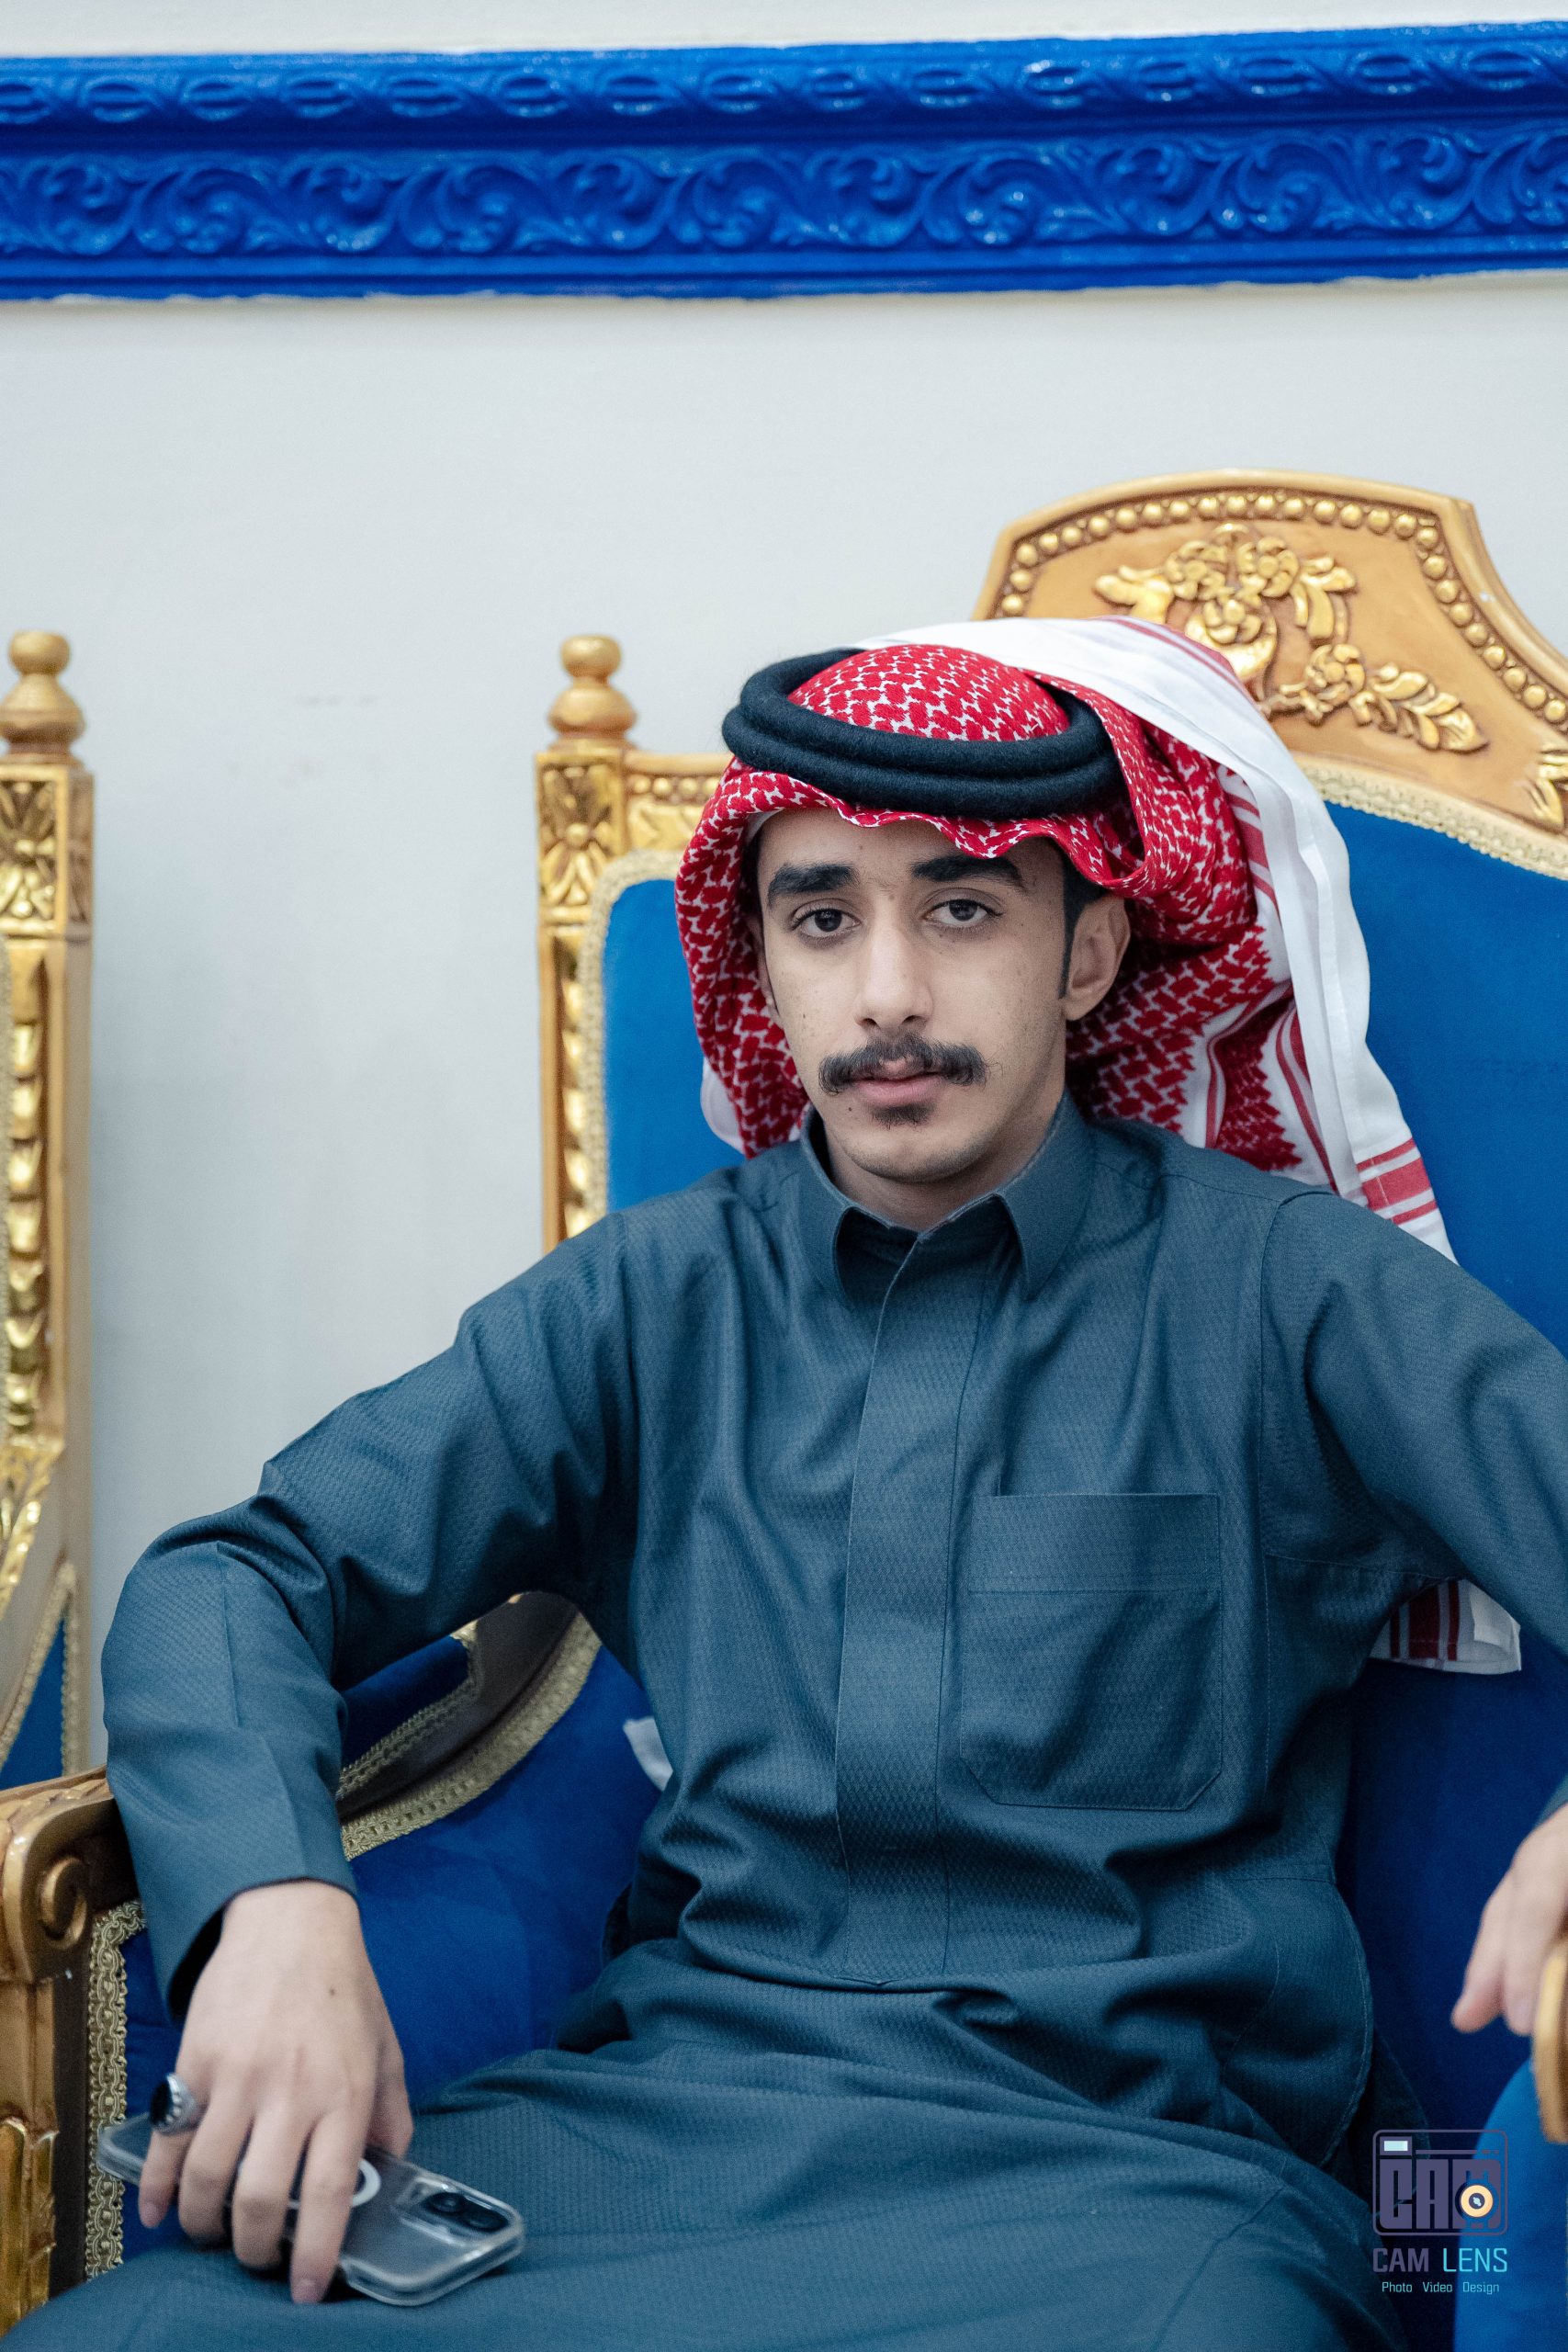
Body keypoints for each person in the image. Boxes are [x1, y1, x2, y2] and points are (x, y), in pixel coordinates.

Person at [24, 625, 1568, 2352]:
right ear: (761, 959)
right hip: (653, 2128)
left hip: (1128, 2183)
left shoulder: (1286, 1289)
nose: (887, 992)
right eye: (823, 919)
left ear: (1088, 953)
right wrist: (274, 1906)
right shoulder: (653, 1300)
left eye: (961, 909)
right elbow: (239, 1574)